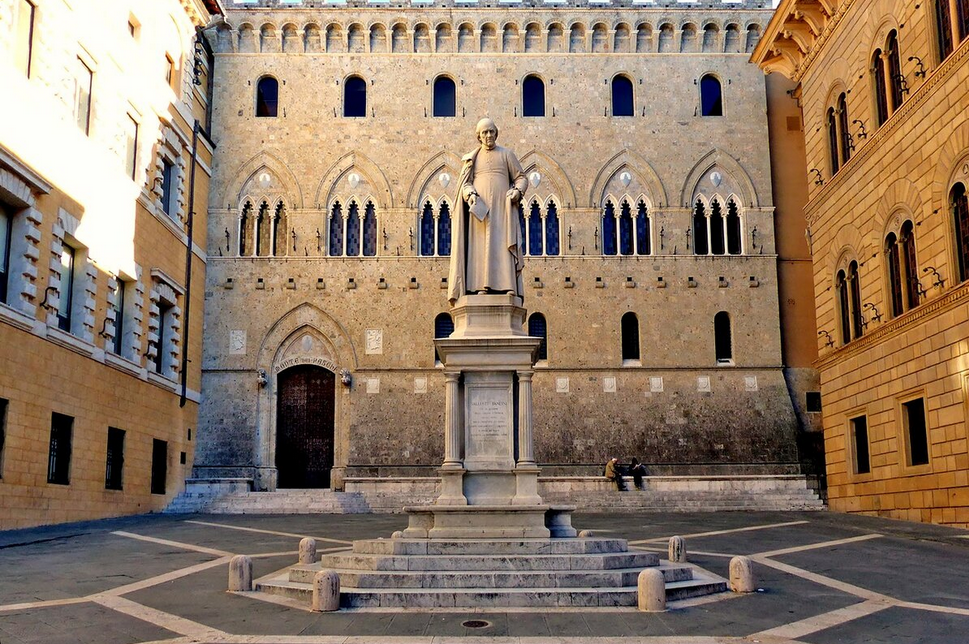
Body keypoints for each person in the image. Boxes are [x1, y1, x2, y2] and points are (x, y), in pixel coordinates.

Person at [447, 117, 528, 304]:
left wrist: (517, 191)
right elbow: (465, 183)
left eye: (491, 131)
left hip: (502, 210)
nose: (488, 135)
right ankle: (479, 287)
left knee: (502, 245)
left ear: (496, 133)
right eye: (484, 132)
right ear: (479, 136)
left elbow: (521, 177)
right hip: (480, 214)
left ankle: (508, 286)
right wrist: (470, 195)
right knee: (480, 248)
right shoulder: (472, 159)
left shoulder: (507, 154)